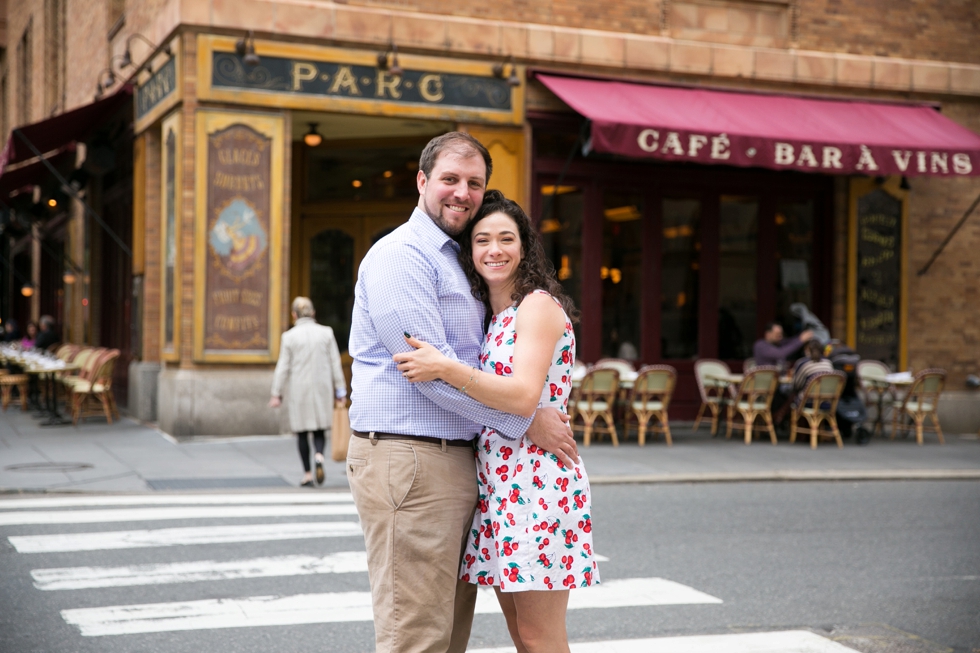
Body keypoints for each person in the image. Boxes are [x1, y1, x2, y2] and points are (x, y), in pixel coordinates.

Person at [347, 132, 578, 653]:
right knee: (418, 635)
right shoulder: (402, 256)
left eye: (475, 183)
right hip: (411, 456)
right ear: (423, 181)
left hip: (465, 464)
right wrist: (526, 419)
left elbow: (484, 367)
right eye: (450, 179)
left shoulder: (462, 263)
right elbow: (428, 375)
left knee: (449, 634)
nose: (462, 192)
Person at [394, 190, 598, 653]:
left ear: (524, 247)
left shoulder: (536, 306)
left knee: (540, 635)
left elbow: (526, 394)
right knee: (521, 635)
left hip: (538, 482)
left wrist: (444, 366)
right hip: (500, 486)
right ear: (470, 252)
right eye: (482, 239)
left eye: (506, 238)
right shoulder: (494, 318)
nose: (494, 249)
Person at [269, 297, 346, 487]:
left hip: (299, 389)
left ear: (294, 315)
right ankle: (319, 456)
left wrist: (276, 393)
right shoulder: (326, 333)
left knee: (302, 432)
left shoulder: (289, 336)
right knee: (319, 428)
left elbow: (283, 367)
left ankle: (308, 474)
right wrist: (340, 389)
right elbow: (335, 363)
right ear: (313, 313)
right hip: (322, 388)